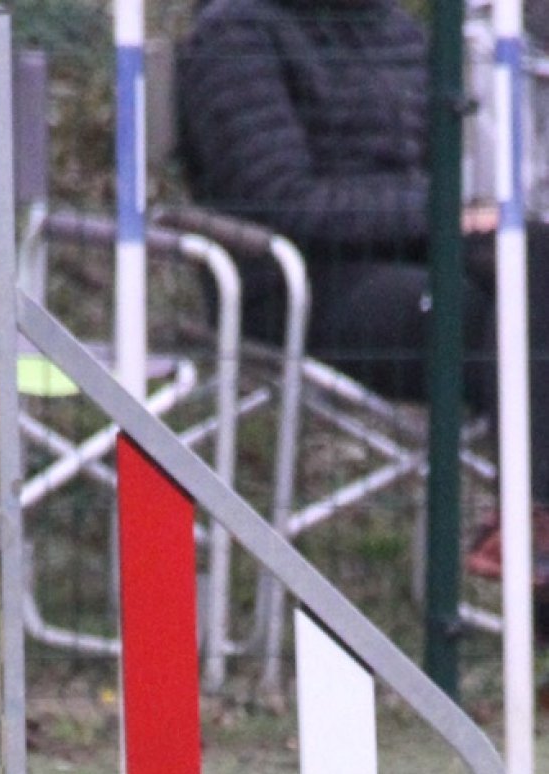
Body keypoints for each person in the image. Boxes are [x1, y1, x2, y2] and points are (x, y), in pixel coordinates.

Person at [175, 0, 549, 584]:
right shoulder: (234, 35)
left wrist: (460, 218)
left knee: (537, 263)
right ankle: (530, 529)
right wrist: (444, 213)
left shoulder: (395, 29)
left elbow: (434, 174)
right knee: (502, 318)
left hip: (416, 261)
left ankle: (531, 523)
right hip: (296, 290)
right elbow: (282, 202)